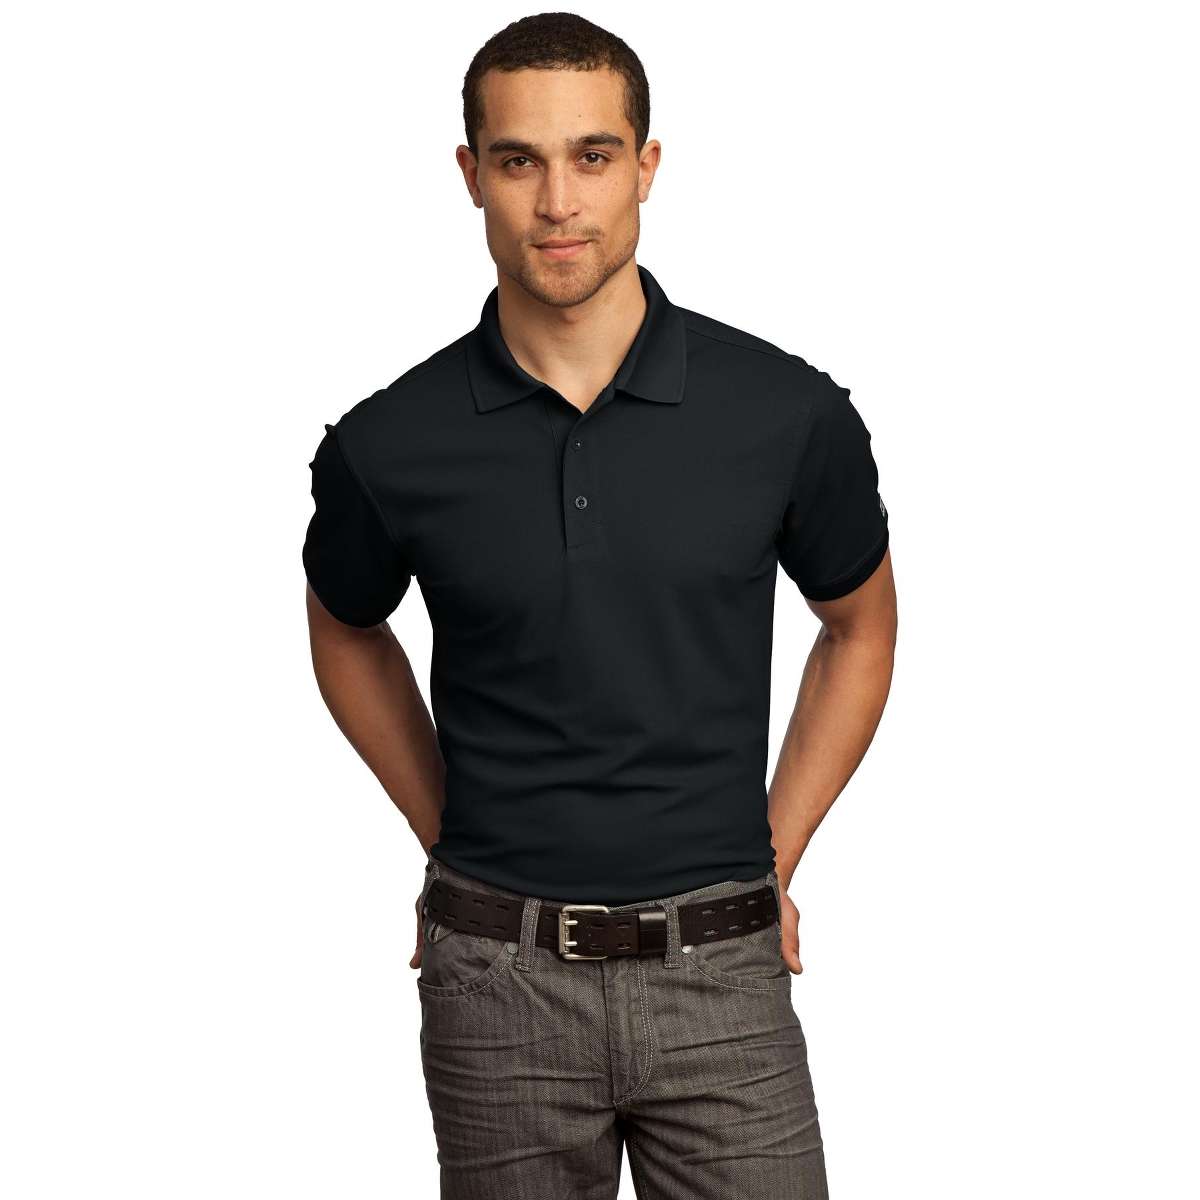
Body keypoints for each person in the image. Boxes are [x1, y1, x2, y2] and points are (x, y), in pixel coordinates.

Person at [302, 12, 897, 1199]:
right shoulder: (389, 443)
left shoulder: (787, 415)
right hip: (495, 986)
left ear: (647, 167)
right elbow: (344, 626)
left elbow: (859, 626)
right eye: (518, 160)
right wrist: (447, 831)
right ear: (470, 175)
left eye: (593, 155)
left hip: (722, 970)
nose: (558, 202)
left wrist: (773, 856)